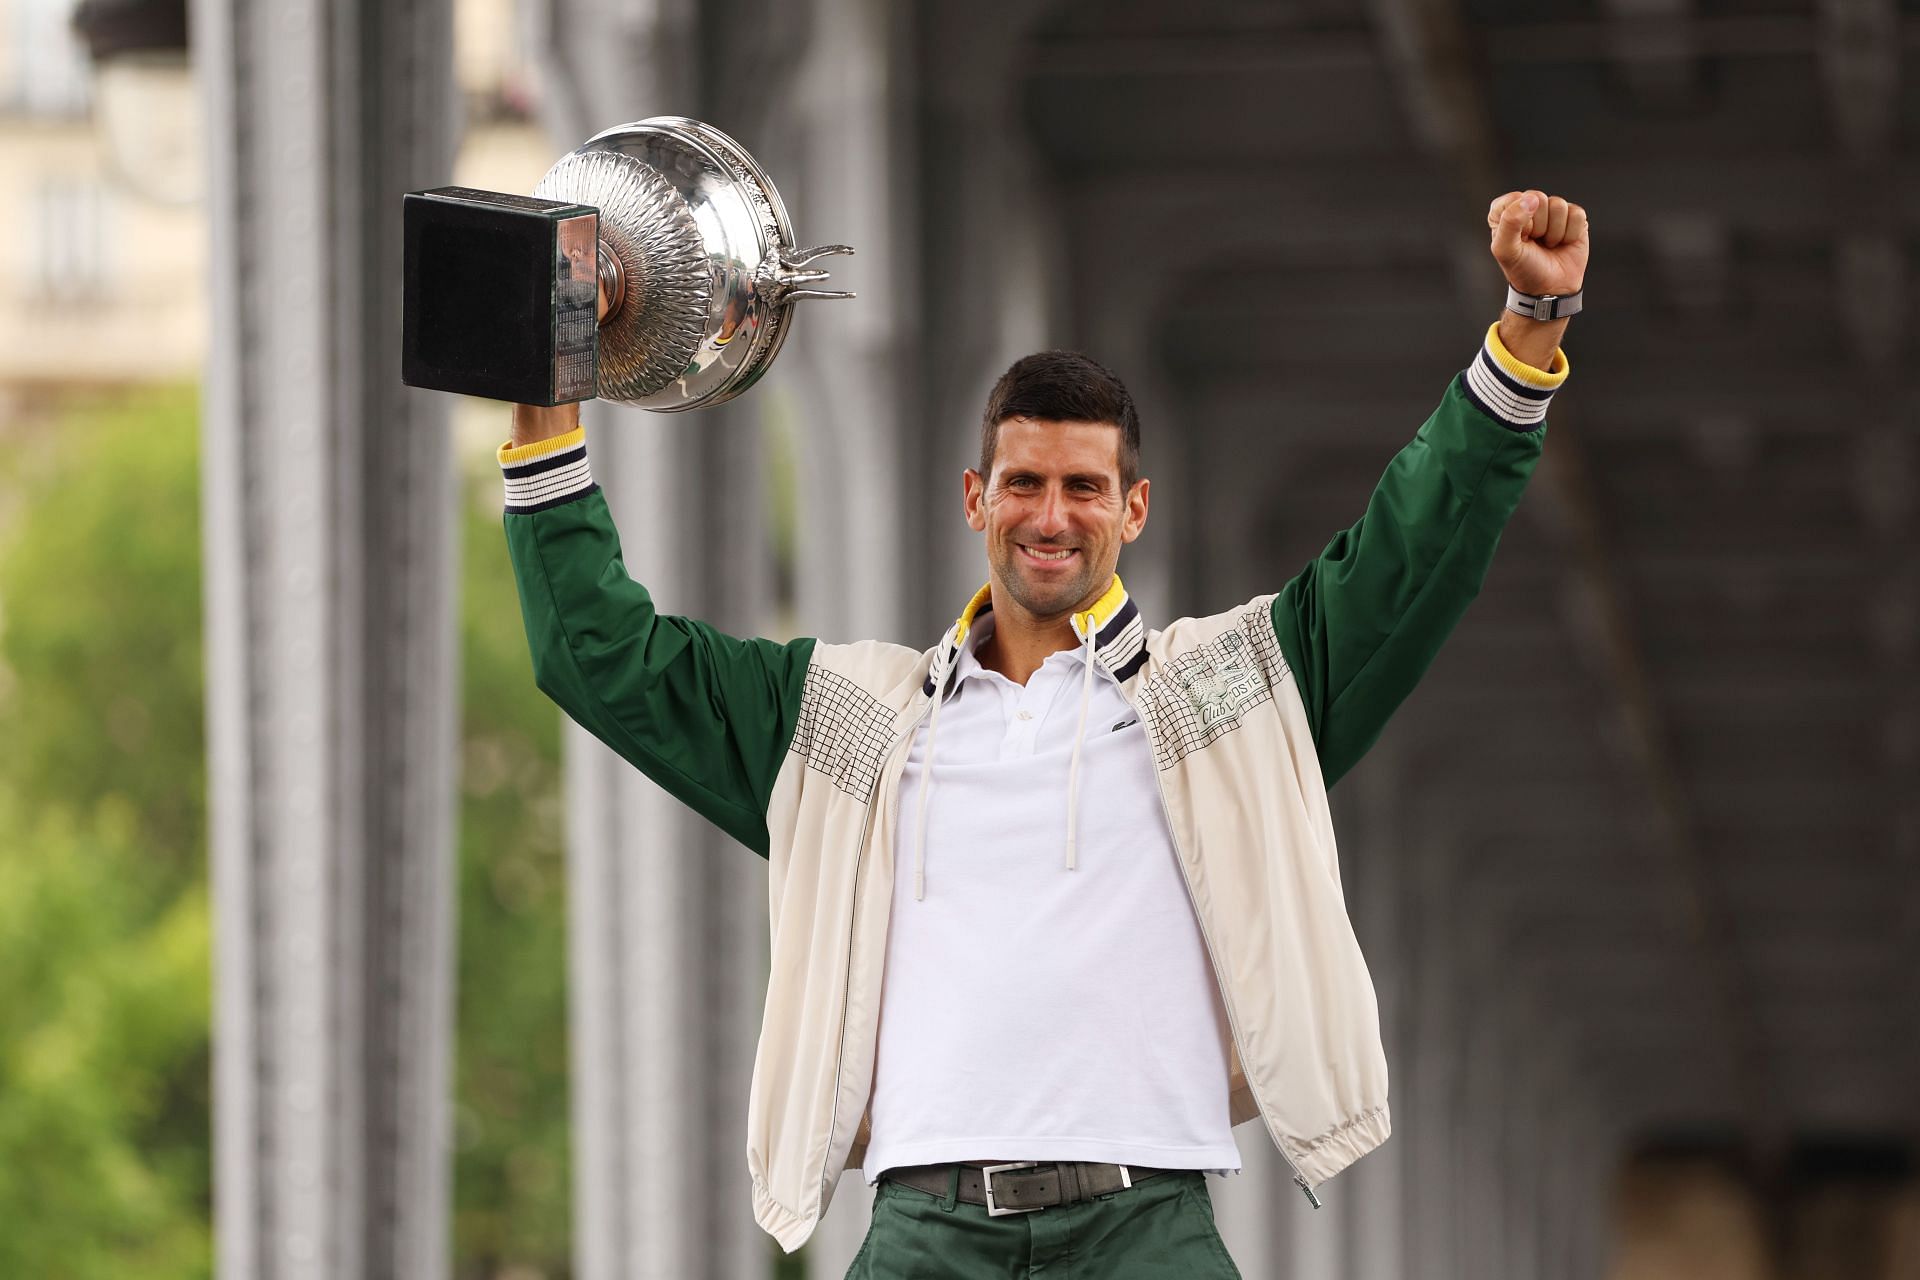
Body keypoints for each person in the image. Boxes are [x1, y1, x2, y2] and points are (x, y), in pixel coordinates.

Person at [499, 189, 1589, 1277]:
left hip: (1145, 1226)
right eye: (1024, 483)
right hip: (924, 1230)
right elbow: (601, 655)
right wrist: (547, 366)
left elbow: (1411, 554)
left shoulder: (1226, 698)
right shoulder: (843, 720)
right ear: (977, 498)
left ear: (1135, 508)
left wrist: (1531, 324)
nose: (1052, 515)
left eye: (1084, 486)